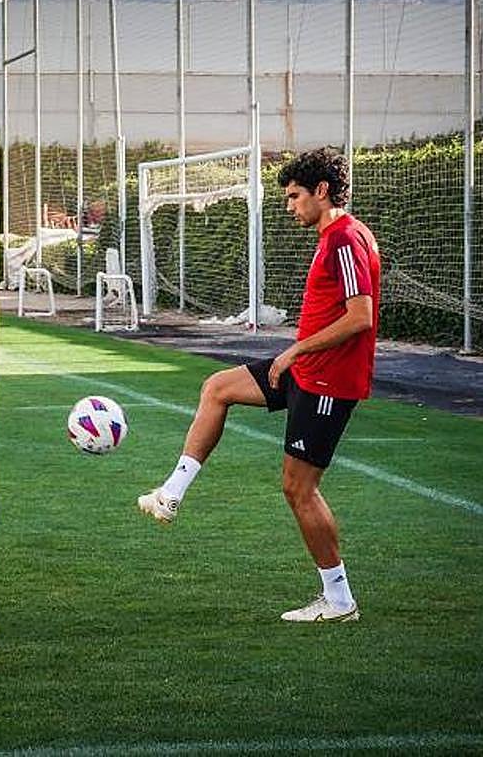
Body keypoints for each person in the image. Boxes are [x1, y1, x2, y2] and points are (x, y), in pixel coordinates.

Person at [137, 147, 380, 623]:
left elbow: (361, 317)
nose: (289, 206)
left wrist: (296, 350)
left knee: (299, 489)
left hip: (327, 380)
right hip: (307, 369)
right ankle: (171, 494)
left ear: (322, 191)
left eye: (294, 196)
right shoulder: (334, 236)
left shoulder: (345, 239)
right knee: (218, 388)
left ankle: (339, 600)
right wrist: (299, 354)